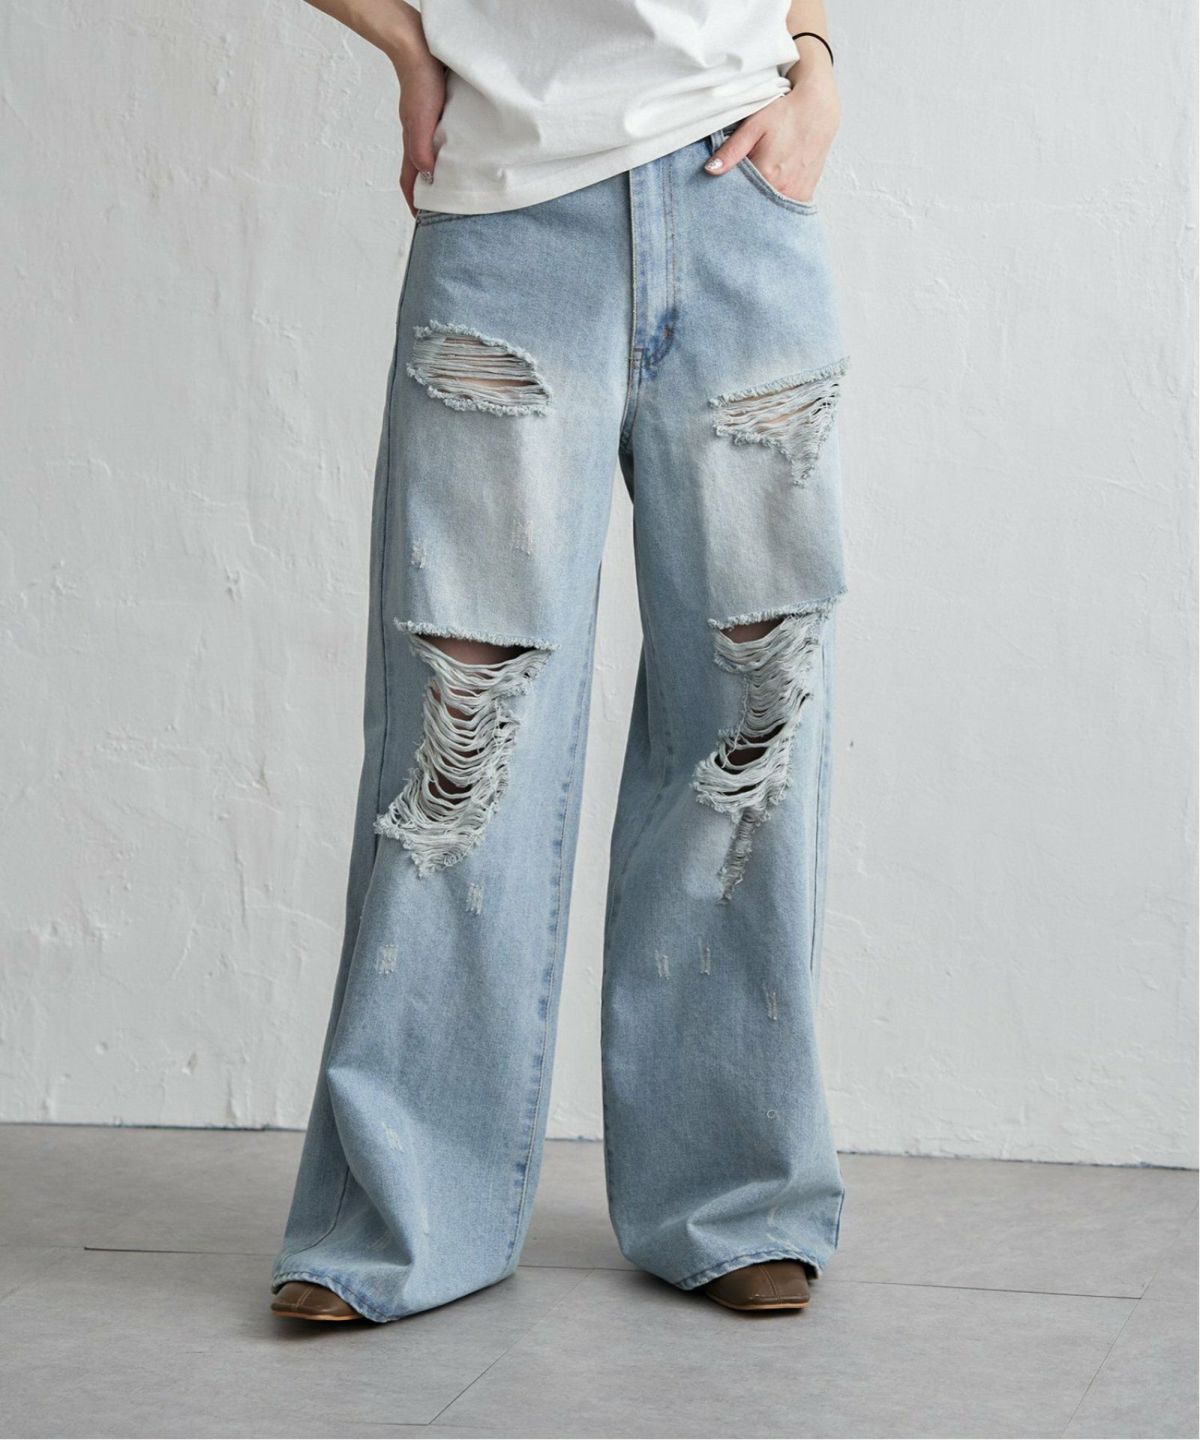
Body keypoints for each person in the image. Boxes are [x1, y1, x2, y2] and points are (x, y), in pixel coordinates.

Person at [271, 0, 849, 1322]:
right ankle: (402, 1213)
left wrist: (817, 63)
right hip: (508, 215)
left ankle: (736, 1199)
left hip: (742, 197)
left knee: (752, 729)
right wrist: (409, 44)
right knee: (458, 742)